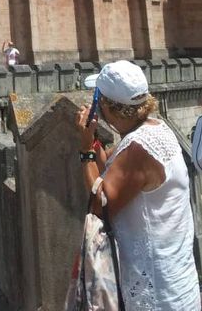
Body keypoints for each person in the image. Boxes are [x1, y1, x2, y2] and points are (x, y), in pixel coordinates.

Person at [75, 59, 200, 311]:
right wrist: (95, 138)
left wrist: (86, 150)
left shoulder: (140, 148)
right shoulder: (155, 130)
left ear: (109, 107)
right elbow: (114, 162)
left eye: (97, 96)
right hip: (177, 283)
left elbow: (101, 204)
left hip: (159, 294)